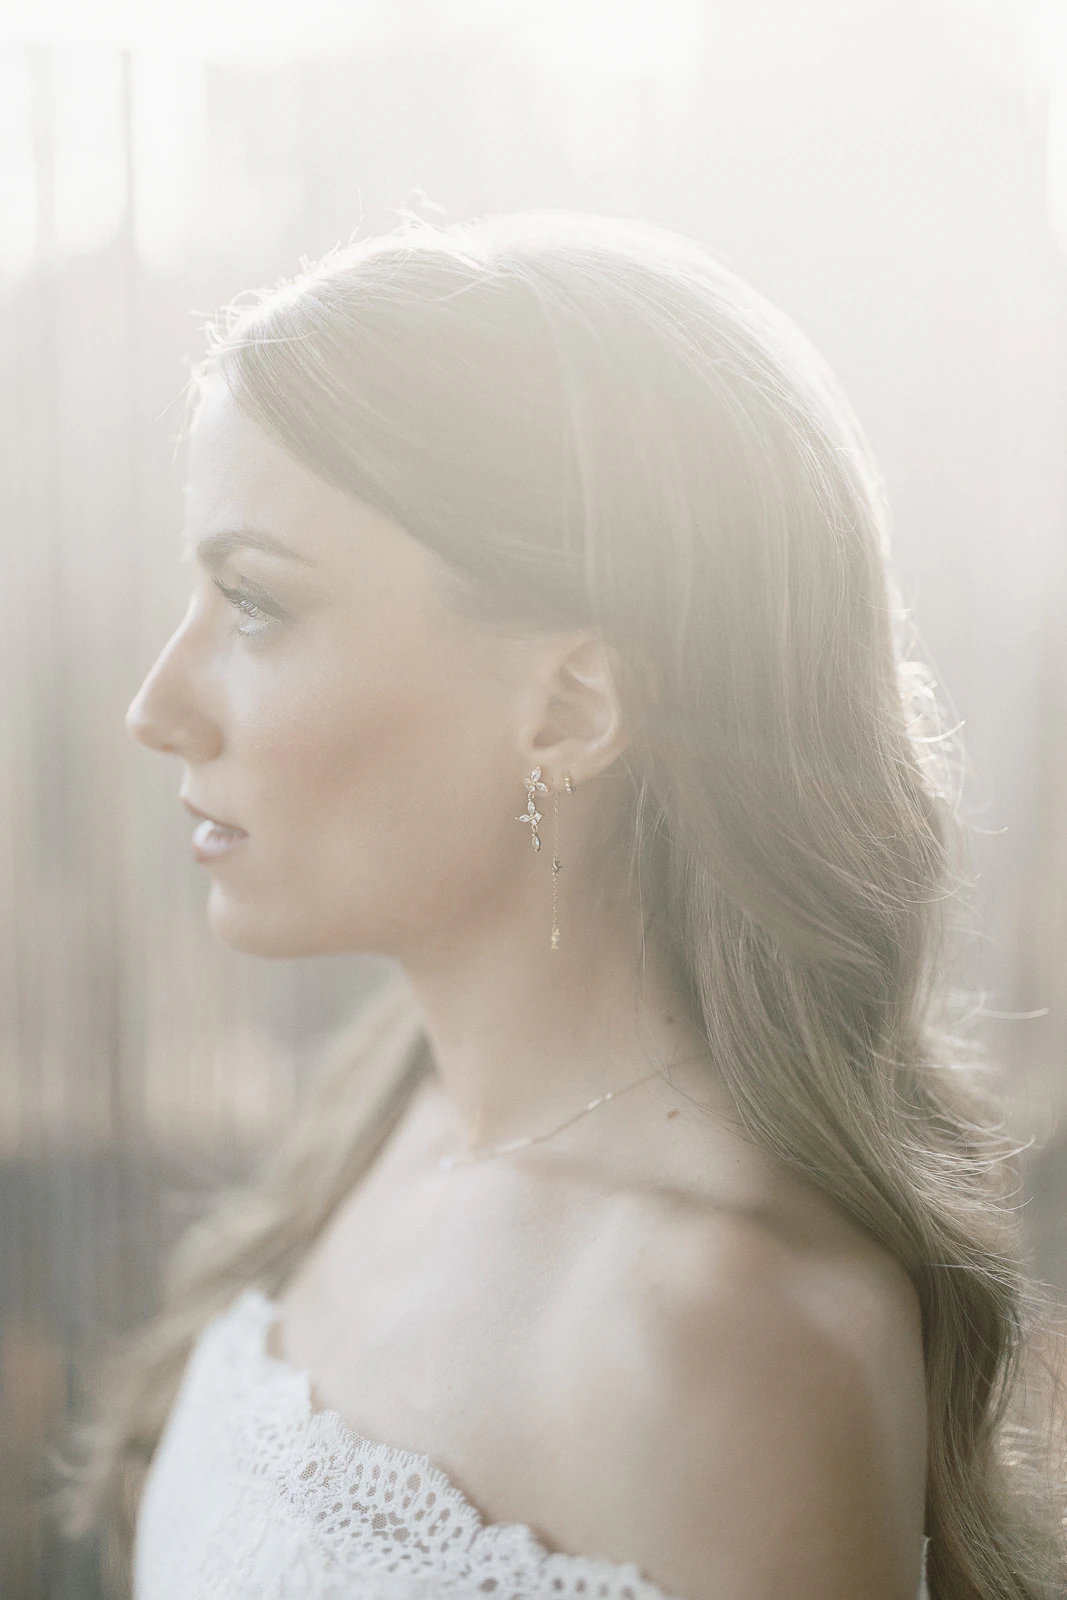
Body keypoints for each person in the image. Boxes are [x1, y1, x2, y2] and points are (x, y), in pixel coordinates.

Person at [55, 209, 1066, 1599]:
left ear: (569, 703)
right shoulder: (389, 1108)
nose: (156, 706)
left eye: (256, 605)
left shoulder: (732, 1344)